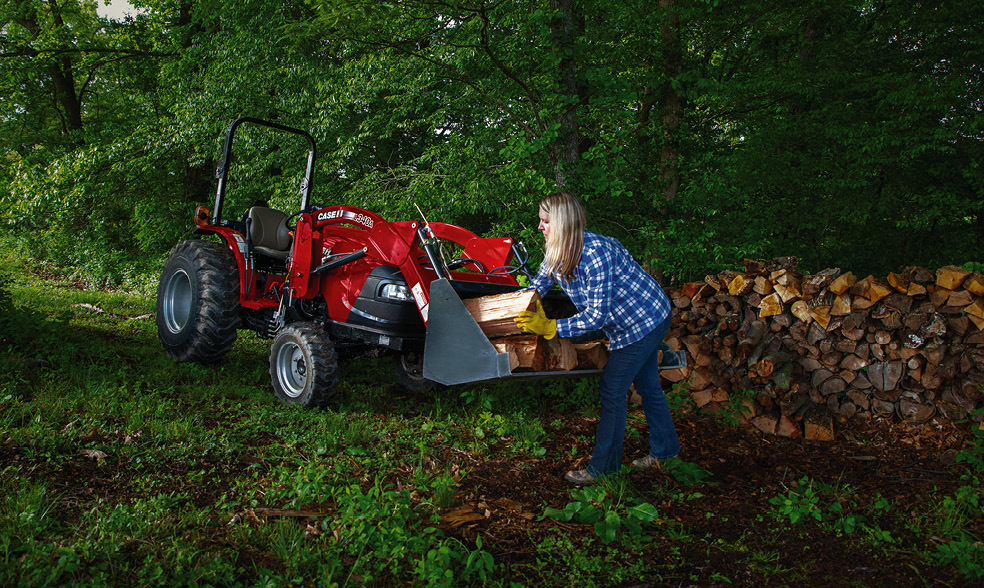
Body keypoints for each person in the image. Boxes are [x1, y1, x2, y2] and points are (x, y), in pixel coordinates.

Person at [515, 192, 680, 485]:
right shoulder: (557, 251)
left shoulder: (595, 254)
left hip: (645, 320)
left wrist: (551, 328)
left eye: (545, 221)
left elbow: (595, 318)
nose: (540, 226)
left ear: (563, 223)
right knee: (647, 385)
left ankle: (604, 469)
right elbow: (537, 285)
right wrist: (508, 307)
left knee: (613, 388)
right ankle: (666, 453)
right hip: (628, 323)